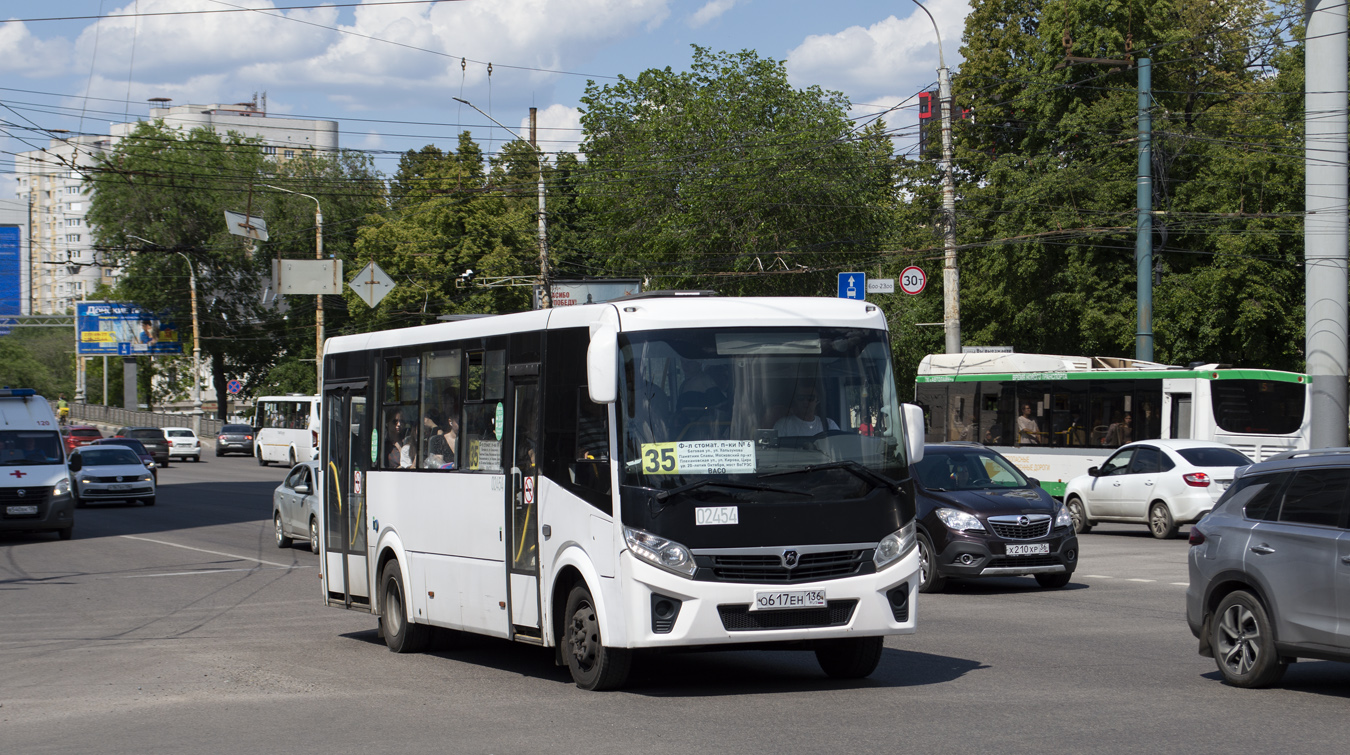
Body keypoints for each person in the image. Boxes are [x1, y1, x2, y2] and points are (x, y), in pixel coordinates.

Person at [773, 384, 839, 437]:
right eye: (801, 398)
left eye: (810, 398)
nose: (805, 402)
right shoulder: (783, 425)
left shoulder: (829, 425)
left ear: (817, 400)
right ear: (795, 400)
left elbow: (839, 445)